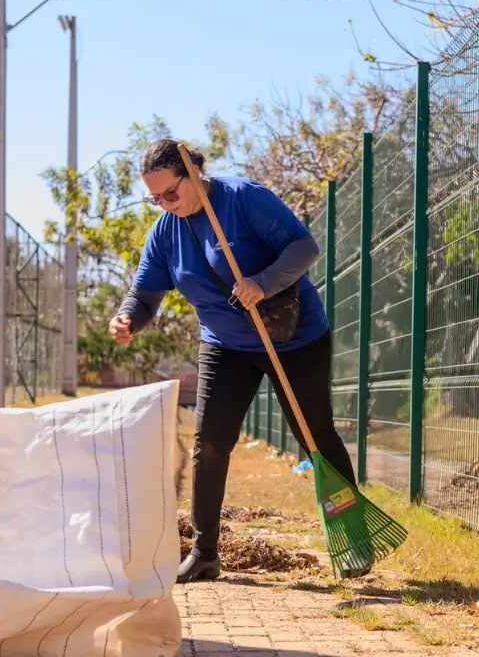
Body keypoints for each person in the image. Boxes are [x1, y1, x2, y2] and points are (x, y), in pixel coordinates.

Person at [109, 139, 360, 582]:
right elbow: (145, 293)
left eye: (171, 193)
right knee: (210, 443)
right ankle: (205, 552)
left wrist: (262, 282)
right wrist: (128, 317)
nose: (165, 204)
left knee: (314, 437)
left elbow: (303, 249)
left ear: (193, 173)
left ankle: (352, 537)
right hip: (226, 345)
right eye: (156, 198)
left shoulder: (244, 199)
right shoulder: (166, 231)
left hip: (293, 339)